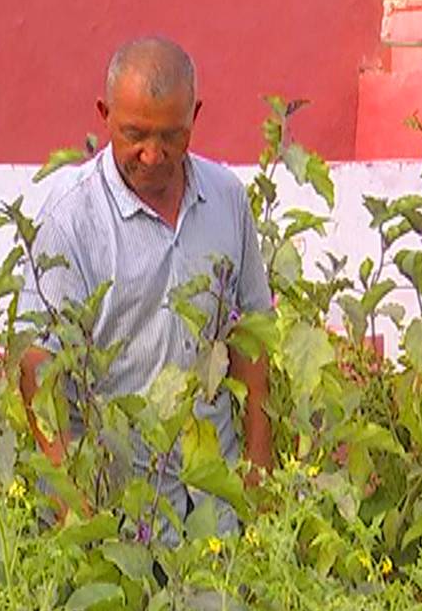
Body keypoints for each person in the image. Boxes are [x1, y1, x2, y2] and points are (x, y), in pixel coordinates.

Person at [17, 37, 273, 539]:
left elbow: (253, 335)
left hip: (213, 504)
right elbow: (37, 363)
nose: (153, 155)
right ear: (104, 114)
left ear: (195, 117)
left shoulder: (226, 199)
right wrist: (72, 494)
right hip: (115, 506)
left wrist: (257, 470)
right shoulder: (71, 217)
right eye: (134, 134)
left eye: (172, 136)